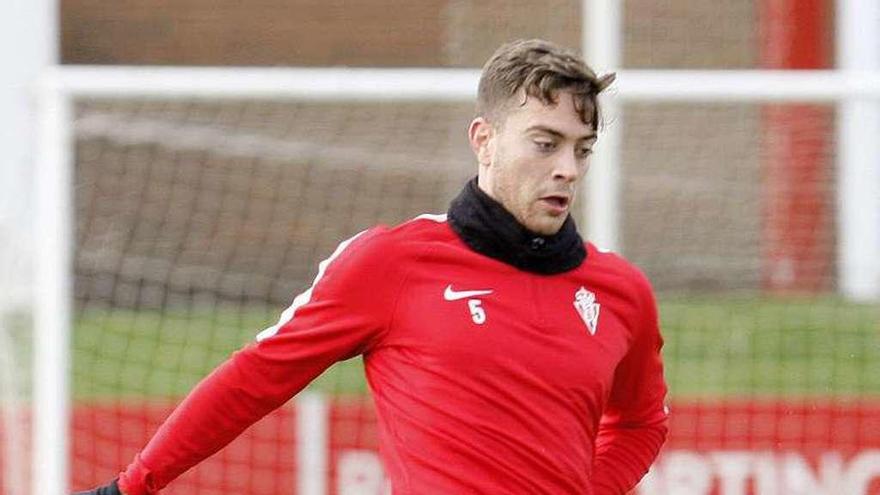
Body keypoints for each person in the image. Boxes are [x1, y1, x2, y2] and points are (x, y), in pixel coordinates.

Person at [77, 38, 668, 495]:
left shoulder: (621, 291)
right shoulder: (392, 263)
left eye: (582, 149)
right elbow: (255, 379)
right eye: (545, 143)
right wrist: (133, 485)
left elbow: (640, 424)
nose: (567, 167)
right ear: (484, 140)